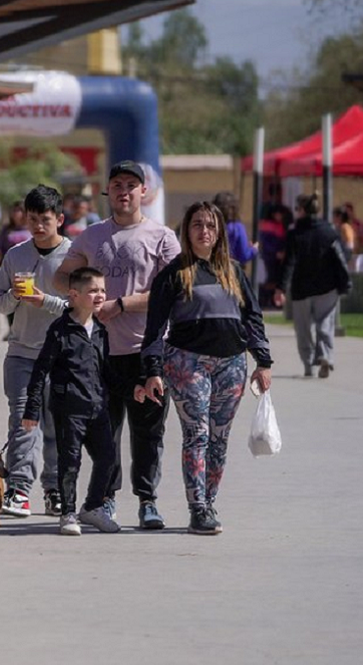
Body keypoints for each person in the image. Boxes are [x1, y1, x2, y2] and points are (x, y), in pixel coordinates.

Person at [52, 160, 180, 530]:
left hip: (147, 352)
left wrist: (122, 304)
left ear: (144, 192)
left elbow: (170, 290)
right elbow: (63, 277)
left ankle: (147, 500)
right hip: (99, 354)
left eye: (131, 184)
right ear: (108, 192)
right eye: (117, 184)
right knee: (103, 433)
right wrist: (84, 298)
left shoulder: (161, 237)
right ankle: (104, 500)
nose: (124, 191)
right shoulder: (91, 237)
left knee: (149, 432)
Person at [136, 202, 273, 535]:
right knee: (196, 435)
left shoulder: (233, 270)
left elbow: (251, 317)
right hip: (187, 362)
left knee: (219, 439)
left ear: (219, 232)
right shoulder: (173, 273)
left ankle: (209, 503)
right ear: (187, 230)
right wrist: (152, 370)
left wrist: (263, 361)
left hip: (232, 364)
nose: (204, 231)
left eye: (211, 225)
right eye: (197, 224)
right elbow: (154, 329)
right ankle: (197, 507)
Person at [22, 267, 121, 536]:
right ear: (74, 295)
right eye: (93, 290)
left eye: (102, 290)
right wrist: (32, 409)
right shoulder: (60, 330)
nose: (100, 295)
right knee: (70, 461)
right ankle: (68, 513)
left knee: (108, 458)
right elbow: (41, 370)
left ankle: (92, 508)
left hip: (97, 406)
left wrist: (129, 391)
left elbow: (107, 370)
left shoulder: (101, 330)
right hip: (69, 409)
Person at [0, 185, 71, 518]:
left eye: (46, 220)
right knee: (24, 421)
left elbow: (84, 306)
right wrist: (15, 296)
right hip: (22, 353)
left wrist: (46, 301)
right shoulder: (16, 256)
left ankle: (54, 490)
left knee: (56, 426)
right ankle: (19, 490)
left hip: (61, 355)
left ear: (60, 220)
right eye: (33, 219)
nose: (39, 226)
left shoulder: (75, 256)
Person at [276, 193, 354, 378]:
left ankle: (308, 365)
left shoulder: (295, 234)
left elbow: (289, 262)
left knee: (302, 329)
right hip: (328, 288)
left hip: (302, 289)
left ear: (302, 210)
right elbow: (343, 256)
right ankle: (325, 355)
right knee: (325, 324)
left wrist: (281, 288)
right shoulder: (330, 231)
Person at [212, 192, 256, 265]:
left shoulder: (209, 225)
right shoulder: (237, 227)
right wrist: (253, 249)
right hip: (230, 270)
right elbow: (244, 256)